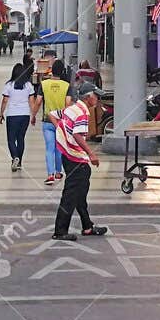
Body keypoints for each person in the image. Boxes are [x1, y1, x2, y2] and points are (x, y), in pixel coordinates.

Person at [52, 81, 107, 241]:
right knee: (71, 194)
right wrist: (91, 153)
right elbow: (77, 134)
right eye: (96, 96)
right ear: (89, 97)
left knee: (80, 193)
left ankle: (87, 226)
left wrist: (62, 133)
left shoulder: (72, 109)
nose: (97, 99)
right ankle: (60, 230)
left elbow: (53, 115)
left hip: (67, 155)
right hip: (75, 158)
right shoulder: (82, 113)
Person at [36, 59, 71, 186]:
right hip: (61, 121)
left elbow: (38, 101)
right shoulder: (66, 86)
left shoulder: (44, 84)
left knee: (49, 147)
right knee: (59, 148)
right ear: (62, 71)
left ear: (51, 71)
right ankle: (58, 172)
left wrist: (33, 115)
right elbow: (68, 103)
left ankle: (50, 175)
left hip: (47, 121)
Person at [0, 62, 38, 171]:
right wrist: (33, 115)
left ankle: (14, 157)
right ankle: (19, 161)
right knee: (21, 138)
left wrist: (1, 113)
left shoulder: (9, 85)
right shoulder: (28, 85)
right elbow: (31, 102)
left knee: (11, 139)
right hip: (24, 115)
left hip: (12, 115)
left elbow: (5, 100)